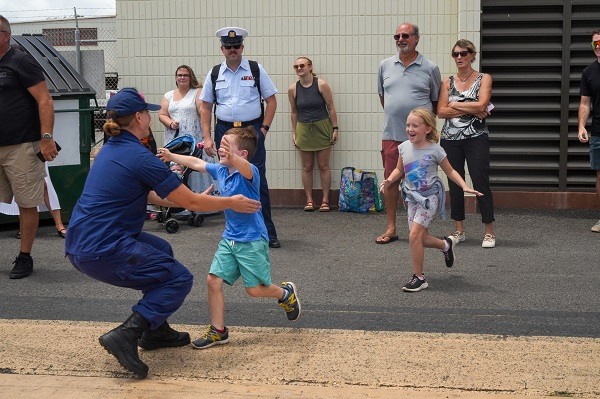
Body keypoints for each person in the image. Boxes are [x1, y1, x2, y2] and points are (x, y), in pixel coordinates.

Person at [64, 88, 261, 379]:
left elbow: (154, 196)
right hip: (103, 248)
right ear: (140, 118)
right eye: (148, 112)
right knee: (178, 279)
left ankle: (155, 331)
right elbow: (191, 204)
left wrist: (195, 196)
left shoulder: (112, 149)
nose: (153, 116)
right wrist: (230, 202)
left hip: (83, 241)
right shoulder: (139, 157)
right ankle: (127, 334)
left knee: (161, 251)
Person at [157, 126, 300, 349]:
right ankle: (218, 331)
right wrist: (171, 155)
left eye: (226, 146)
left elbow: (245, 166)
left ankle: (285, 293)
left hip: (252, 240)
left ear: (241, 154)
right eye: (221, 144)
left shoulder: (249, 172)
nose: (220, 149)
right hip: (230, 239)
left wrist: (233, 157)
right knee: (213, 280)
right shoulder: (221, 170)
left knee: (254, 290)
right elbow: (196, 164)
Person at [380, 108, 482, 292]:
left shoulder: (436, 150)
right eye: (408, 125)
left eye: (415, 125)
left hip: (429, 199)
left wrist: (464, 186)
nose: (410, 129)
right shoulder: (403, 148)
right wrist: (389, 180)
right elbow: (398, 170)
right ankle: (445, 245)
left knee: (413, 236)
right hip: (412, 198)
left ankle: (419, 278)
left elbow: (450, 171)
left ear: (427, 128)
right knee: (420, 239)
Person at [199, 26, 281, 248]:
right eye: (228, 46)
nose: (232, 50)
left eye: (236, 46)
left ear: (242, 47)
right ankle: (236, 233)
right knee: (229, 180)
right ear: (222, 49)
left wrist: (263, 129)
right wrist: (207, 137)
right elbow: (205, 106)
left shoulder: (255, 69)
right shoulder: (215, 73)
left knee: (257, 180)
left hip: (251, 132)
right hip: (225, 131)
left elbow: (271, 100)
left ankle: (267, 233)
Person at [0, 15, 59, 279]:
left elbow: (45, 100)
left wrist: (46, 138)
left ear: (5, 35)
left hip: (22, 146)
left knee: (26, 203)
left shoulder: (21, 61)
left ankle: (24, 257)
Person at [376, 22, 441, 244]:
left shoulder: (430, 68)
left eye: (405, 35)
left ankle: (421, 228)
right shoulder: (385, 65)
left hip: (420, 140)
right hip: (392, 135)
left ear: (416, 38)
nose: (400, 39)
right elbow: (384, 99)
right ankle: (392, 227)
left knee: (422, 182)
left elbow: (435, 102)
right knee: (391, 181)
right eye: (397, 36)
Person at [436, 39, 496, 248]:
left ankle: (488, 231)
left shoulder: (483, 78)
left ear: (472, 54)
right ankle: (459, 229)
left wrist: (455, 104)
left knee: (480, 180)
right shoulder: (447, 82)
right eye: (455, 54)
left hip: (476, 137)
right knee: (454, 182)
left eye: (463, 53)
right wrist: (470, 107)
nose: (459, 57)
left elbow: (483, 104)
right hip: (450, 138)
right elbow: (441, 111)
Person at [288, 56, 339, 212]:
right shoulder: (292, 89)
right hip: (303, 128)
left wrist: (335, 128)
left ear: (310, 67)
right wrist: (294, 133)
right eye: (296, 66)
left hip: (322, 127)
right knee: (306, 167)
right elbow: (294, 112)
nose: (299, 69)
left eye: (302, 65)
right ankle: (309, 201)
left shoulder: (321, 84)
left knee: (323, 166)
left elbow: (330, 107)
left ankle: (325, 201)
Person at [158, 65, 206, 193]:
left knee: (192, 165)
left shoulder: (197, 92)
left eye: (185, 75)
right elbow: (162, 114)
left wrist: (207, 135)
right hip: (175, 136)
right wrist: (170, 123)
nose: (182, 77)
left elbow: (203, 112)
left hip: (193, 136)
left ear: (191, 77)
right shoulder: (168, 95)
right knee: (176, 167)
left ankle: (200, 200)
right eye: (180, 75)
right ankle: (178, 203)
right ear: (176, 78)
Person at [0, 163, 67, 239]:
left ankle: (59, 224)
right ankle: (24, 226)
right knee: (19, 186)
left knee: (45, 185)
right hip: (14, 153)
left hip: (35, 153)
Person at [578, 29, 600, 233]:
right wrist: (581, 125)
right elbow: (585, 103)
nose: (598, 47)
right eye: (595, 44)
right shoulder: (589, 72)